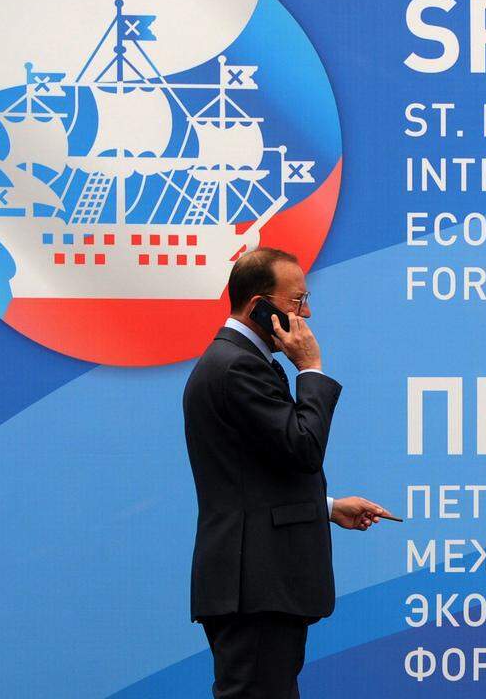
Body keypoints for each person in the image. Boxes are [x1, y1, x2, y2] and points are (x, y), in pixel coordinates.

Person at [183, 247, 391, 698]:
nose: (307, 313)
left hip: (259, 585)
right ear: (259, 305)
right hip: (256, 587)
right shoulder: (237, 365)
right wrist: (311, 369)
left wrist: (327, 508)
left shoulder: (242, 362)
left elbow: (258, 472)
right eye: (297, 302)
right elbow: (303, 447)